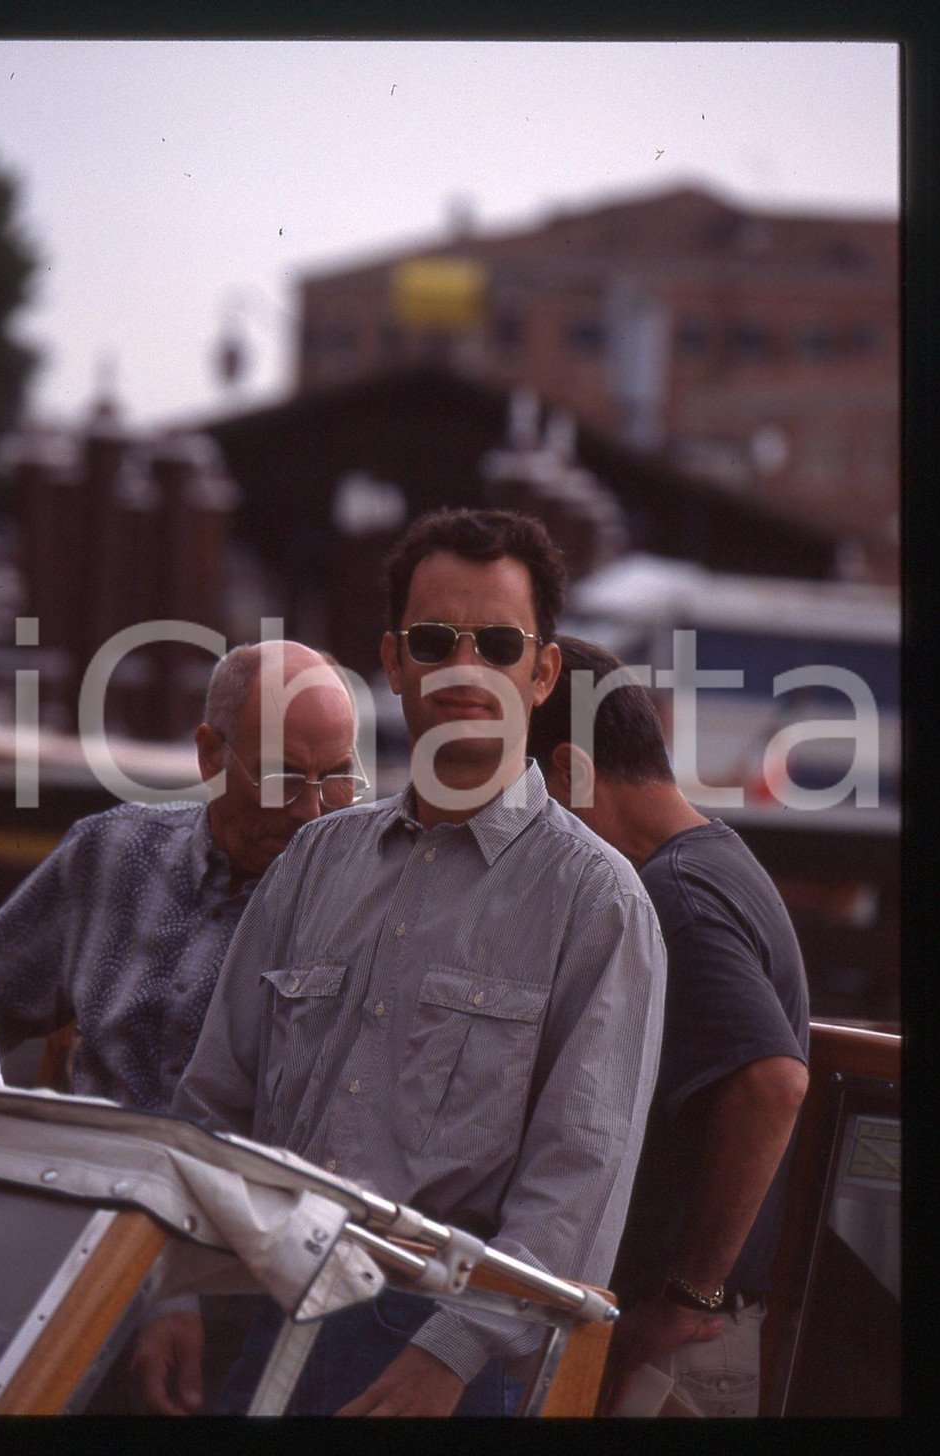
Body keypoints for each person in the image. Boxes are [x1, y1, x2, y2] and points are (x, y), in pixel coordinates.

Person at [135, 508, 667, 1418]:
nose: (464, 668)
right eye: (433, 639)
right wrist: (170, 1291)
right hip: (265, 1317)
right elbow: (212, 1106)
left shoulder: (600, 904)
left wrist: (446, 1360)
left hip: (454, 1356)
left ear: (541, 674)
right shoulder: (311, 862)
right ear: (393, 663)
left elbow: (578, 1181)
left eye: (498, 643)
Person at [527, 635, 810, 1418]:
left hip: (679, 1352)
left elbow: (772, 1083)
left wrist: (686, 1297)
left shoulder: (676, 896)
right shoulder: (706, 863)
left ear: (565, 773)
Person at [0, 640, 362, 1111]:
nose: (312, 811)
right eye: (283, 776)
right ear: (210, 757)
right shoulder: (111, 855)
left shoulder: (361, 910)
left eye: (339, 778)